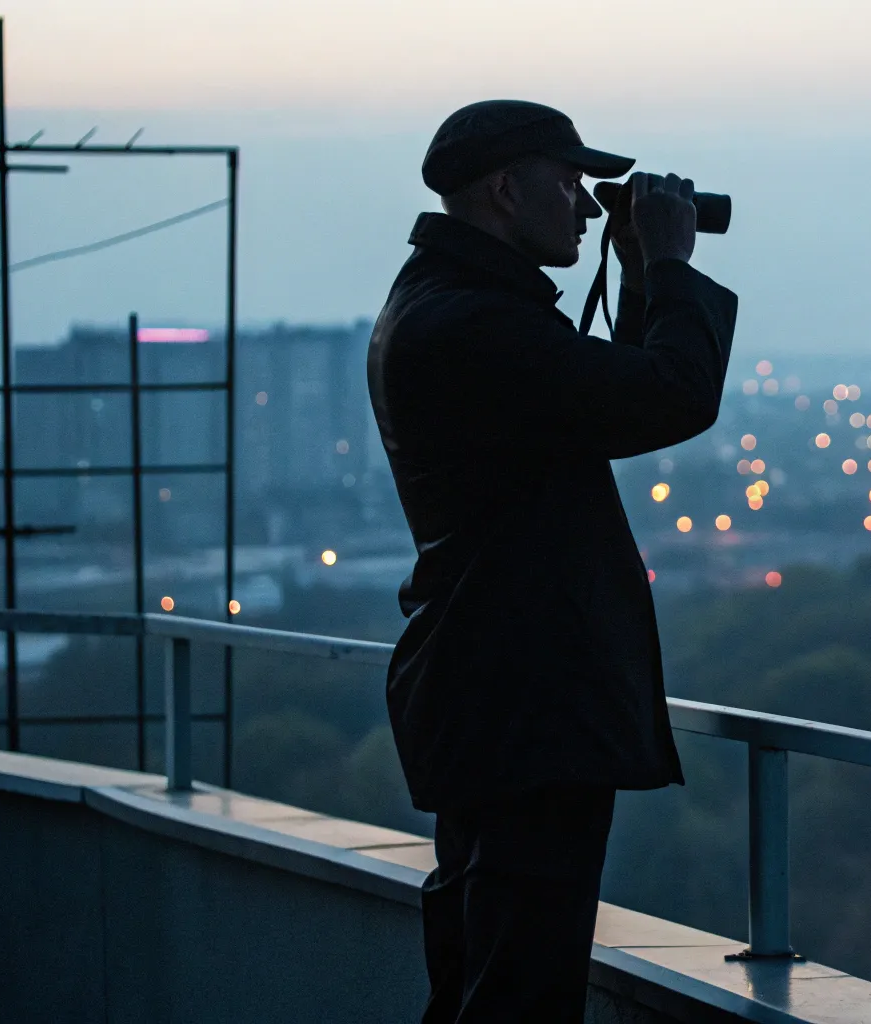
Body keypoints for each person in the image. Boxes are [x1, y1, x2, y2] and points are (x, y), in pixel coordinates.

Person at [367, 99, 737, 1023]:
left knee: (482, 977)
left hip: (491, 698)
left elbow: (608, 405)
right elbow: (671, 395)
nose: (582, 205)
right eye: (568, 182)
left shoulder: (452, 307)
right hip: (523, 703)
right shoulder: (474, 326)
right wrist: (669, 262)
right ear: (504, 189)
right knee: (519, 992)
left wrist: (645, 273)